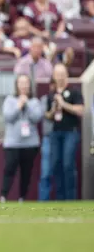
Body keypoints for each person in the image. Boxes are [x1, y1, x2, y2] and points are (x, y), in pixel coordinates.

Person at [0, 74, 43, 202]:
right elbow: (8, 117)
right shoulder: (10, 100)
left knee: (26, 172)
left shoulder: (34, 101)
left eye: (26, 83)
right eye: (21, 83)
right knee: (9, 169)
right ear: (16, 85)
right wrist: (18, 106)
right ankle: (3, 196)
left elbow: (36, 117)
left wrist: (27, 105)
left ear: (29, 85)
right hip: (13, 143)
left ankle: (22, 197)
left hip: (30, 143)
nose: (24, 86)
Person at [45, 64, 84, 200]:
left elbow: (81, 110)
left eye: (62, 73)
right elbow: (48, 116)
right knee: (56, 164)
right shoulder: (51, 94)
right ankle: (60, 198)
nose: (60, 77)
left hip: (70, 132)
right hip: (56, 132)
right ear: (54, 76)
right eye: (57, 74)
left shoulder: (74, 91)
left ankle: (71, 197)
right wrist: (53, 109)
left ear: (67, 75)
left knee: (68, 164)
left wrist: (64, 104)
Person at [38, 77, 56, 201]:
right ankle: (43, 200)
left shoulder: (68, 96)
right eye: (53, 84)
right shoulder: (45, 99)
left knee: (63, 169)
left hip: (63, 135)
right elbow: (47, 115)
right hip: (48, 137)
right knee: (45, 172)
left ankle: (65, 200)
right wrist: (55, 107)